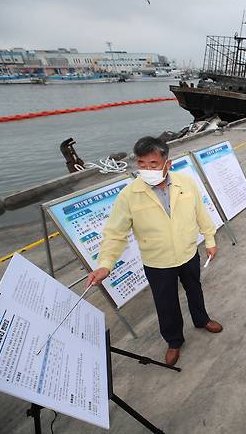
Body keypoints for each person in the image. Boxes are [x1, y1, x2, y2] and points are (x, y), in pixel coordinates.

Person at [88, 136, 222, 366]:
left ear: (167, 163)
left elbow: (201, 213)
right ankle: (174, 341)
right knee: (165, 302)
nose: (146, 169)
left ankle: (202, 320)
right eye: (141, 164)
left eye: (153, 164)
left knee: (195, 288)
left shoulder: (186, 183)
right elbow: (115, 234)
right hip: (157, 262)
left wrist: (210, 239)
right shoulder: (129, 196)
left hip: (188, 253)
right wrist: (105, 265)